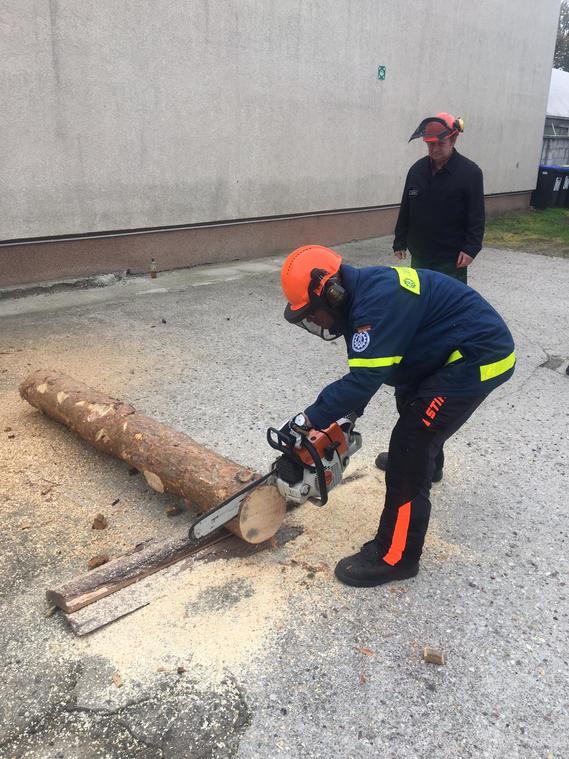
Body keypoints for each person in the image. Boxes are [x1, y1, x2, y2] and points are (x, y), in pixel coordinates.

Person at [280, 244, 515, 587]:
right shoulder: (359, 298)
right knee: (410, 398)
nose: (314, 320)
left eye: (313, 313)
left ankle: (396, 556)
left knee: (411, 442)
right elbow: (369, 373)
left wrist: (306, 420)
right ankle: (429, 465)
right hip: (444, 350)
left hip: (479, 355)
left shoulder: (376, 303)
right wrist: (343, 419)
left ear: (332, 292)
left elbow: (360, 382)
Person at [392, 112, 485, 284]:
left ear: (454, 139)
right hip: (420, 255)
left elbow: (476, 216)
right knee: (420, 300)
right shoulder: (416, 171)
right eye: (430, 144)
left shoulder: (470, 173)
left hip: (451, 259)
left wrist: (471, 248)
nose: (434, 149)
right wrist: (400, 240)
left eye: (439, 144)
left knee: (450, 305)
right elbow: (406, 207)